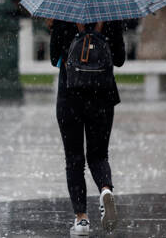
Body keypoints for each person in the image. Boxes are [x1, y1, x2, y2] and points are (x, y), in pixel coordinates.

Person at [49, 19, 125, 236]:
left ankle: (81, 219)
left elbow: (54, 59)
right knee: (99, 155)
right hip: (102, 96)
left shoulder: (63, 16)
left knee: (74, 159)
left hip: (69, 95)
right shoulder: (111, 16)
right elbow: (119, 60)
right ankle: (105, 190)